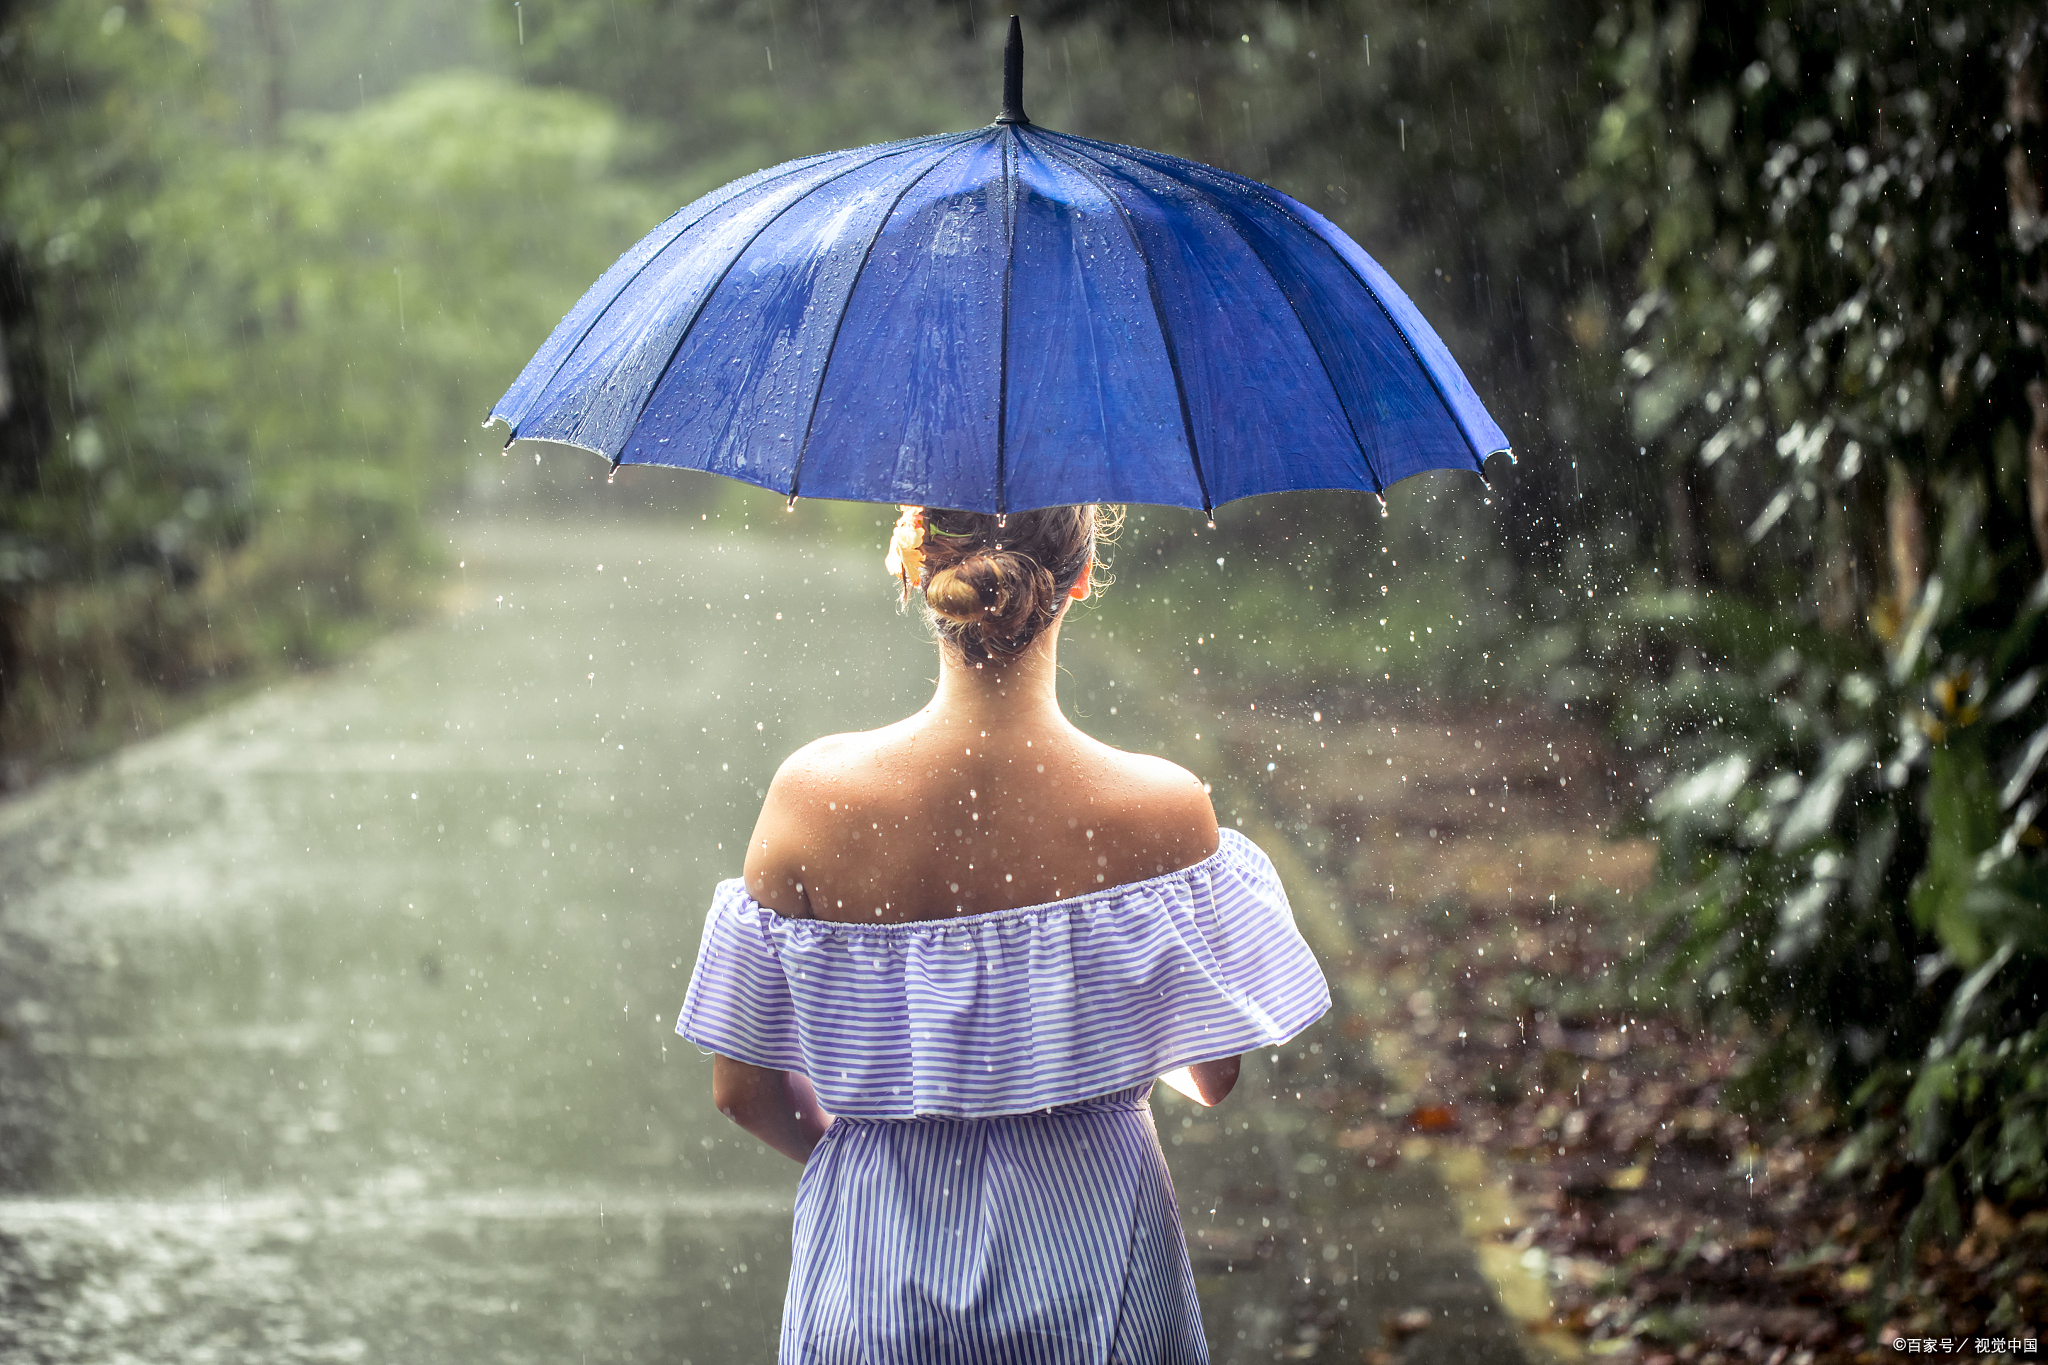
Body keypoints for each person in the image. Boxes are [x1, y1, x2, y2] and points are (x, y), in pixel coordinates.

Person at [675, 503, 1329, 1364]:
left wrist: (875, 1151)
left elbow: (742, 1091)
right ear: (1082, 578)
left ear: (919, 570)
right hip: (1097, 1276)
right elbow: (1210, 1076)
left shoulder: (813, 796)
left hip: (874, 1280)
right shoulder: (1163, 808)